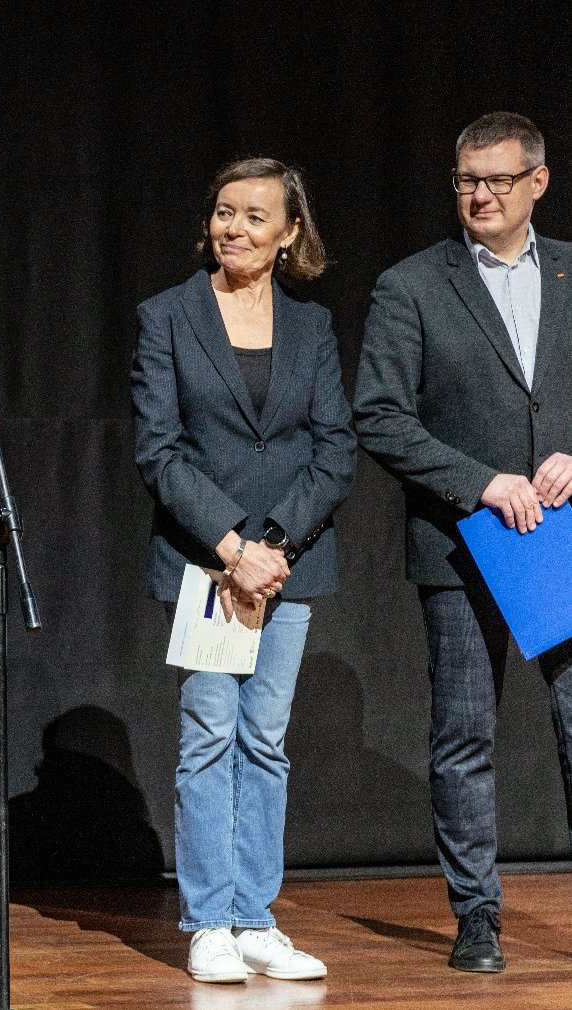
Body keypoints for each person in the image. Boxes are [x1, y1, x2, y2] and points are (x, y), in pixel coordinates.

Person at [355, 111, 572, 974]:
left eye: (497, 180)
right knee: (465, 736)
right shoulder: (411, 286)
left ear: (538, 182)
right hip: (464, 542)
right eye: (465, 181)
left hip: (560, 541)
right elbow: (378, 414)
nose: (479, 196)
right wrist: (481, 482)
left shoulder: (570, 271)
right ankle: (476, 915)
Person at [131, 157, 355, 985]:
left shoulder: (313, 326)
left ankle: (256, 917)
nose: (235, 228)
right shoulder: (167, 317)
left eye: (256, 216)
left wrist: (276, 550)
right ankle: (209, 920)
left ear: (290, 233)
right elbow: (159, 449)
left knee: (265, 737)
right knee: (209, 736)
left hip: (288, 565)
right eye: (225, 211)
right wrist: (233, 549)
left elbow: (335, 449)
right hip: (204, 566)